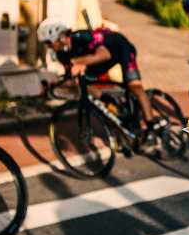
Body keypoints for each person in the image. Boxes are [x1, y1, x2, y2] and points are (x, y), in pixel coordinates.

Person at [38, 19, 166, 142]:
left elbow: (105, 55)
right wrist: (55, 86)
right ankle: (109, 101)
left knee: (134, 86)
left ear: (59, 37)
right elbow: (70, 76)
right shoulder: (61, 54)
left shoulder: (82, 37)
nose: (48, 47)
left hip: (121, 49)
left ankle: (151, 124)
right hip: (100, 59)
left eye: (49, 43)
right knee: (79, 82)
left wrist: (77, 62)